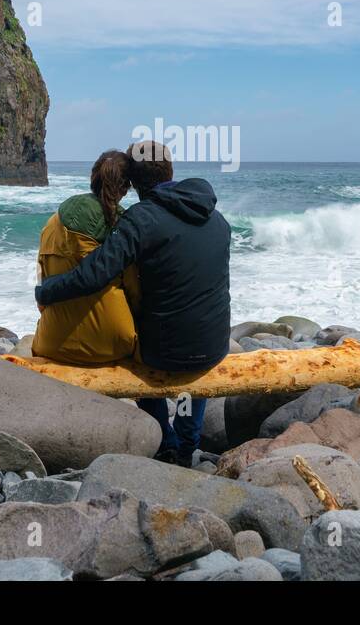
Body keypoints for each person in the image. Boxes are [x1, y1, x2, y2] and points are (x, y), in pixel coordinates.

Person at [35, 141, 231, 466]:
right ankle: (187, 444)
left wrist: (47, 291)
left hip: (163, 355)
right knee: (194, 329)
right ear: (170, 171)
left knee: (129, 342)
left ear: (135, 185)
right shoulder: (217, 218)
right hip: (213, 346)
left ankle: (165, 440)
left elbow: (96, 273)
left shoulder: (143, 218)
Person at [31, 150, 141, 364]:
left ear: (93, 179)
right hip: (112, 345)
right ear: (126, 189)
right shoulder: (123, 228)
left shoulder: (52, 223)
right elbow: (135, 294)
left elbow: (40, 281)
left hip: (52, 342)